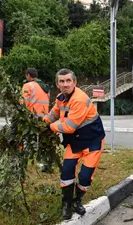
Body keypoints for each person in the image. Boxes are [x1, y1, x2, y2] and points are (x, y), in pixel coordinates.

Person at [43, 68, 105, 220]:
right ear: (57, 84)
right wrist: (42, 122)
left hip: (92, 143)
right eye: (62, 81)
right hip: (74, 142)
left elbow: (69, 127)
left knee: (85, 177)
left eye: (68, 81)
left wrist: (49, 127)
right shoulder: (61, 98)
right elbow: (54, 113)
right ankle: (66, 204)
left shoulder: (79, 99)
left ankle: (77, 201)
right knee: (67, 173)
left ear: (75, 82)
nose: (65, 84)